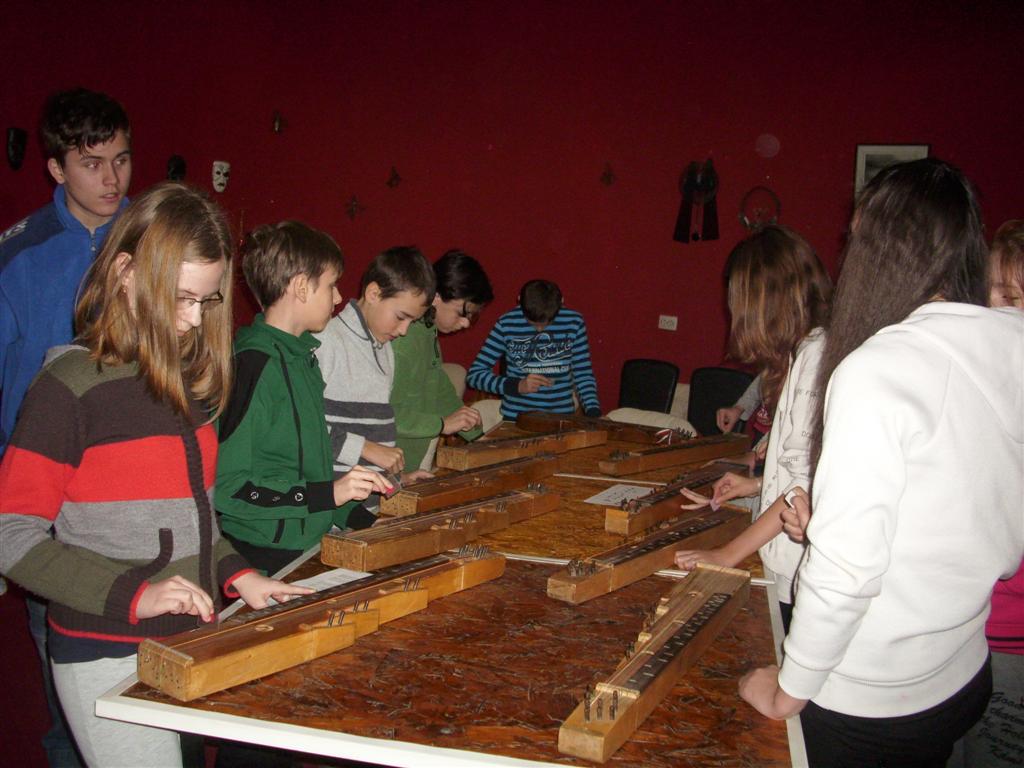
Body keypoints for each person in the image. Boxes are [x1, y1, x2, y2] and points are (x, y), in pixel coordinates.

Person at [0, 183, 312, 768]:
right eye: (180, 298)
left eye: (206, 301)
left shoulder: (186, 384)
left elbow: (195, 520)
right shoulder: (68, 389)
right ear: (125, 273)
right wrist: (135, 595)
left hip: (183, 641)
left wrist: (239, 575)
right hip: (104, 649)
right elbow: (10, 535)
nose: (192, 320)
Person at [738, 159, 1024, 768]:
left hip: (871, 697)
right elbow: (962, 502)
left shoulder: (876, 368)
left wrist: (789, 688)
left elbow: (847, 569)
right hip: (962, 669)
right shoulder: (1012, 339)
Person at [0, 86, 132, 768]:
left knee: (146, 665)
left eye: (122, 160)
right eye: (92, 163)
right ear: (56, 167)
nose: (112, 179)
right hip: (47, 487)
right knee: (66, 670)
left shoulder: (155, 239)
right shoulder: (18, 255)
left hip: (136, 482)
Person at [674, 225, 832, 631]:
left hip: (796, 569)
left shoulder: (815, 356)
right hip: (781, 557)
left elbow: (802, 484)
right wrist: (755, 485)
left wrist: (727, 554)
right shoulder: (801, 352)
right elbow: (806, 470)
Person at [215, 222, 391, 576]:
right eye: (331, 285)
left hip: (307, 544)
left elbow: (311, 473)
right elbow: (227, 489)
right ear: (300, 287)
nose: (338, 298)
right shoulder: (252, 367)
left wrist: (364, 520)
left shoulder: (304, 359)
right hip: (261, 556)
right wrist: (328, 494)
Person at [953, 219, 1024, 768]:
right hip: (959, 632)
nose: (998, 311)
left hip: (1011, 643)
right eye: (993, 295)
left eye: (1013, 299)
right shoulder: (977, 383)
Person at [315, 245, 436, 498]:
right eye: (401, 317)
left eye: (411, 322)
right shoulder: (325, 341)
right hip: (332, 505)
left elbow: (374, 434)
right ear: (373, 294)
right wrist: (366, 448)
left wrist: (397, 479)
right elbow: (303, 428)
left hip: (366, 503)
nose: (404, 331)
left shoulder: (385, 349)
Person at [391, 249, 492, 470]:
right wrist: (442, 425)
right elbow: (386, 413)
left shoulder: (427, 331)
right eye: (462, 313)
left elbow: (438, 388)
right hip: (388, 460)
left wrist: (475, 435)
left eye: (472, 316)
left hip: (406, 461)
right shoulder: (405, 338)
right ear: (436, 296)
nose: (466, 323)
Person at [466, 278, 601, 419]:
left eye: (548, 322)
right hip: (516, 418)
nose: (539, 329)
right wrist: (518, 386)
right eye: (532, 322)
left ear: (561, 302)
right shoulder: (506, 323)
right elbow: (474, 376)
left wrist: (593, 411)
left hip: (561, 418)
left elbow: (583, 374)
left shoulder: (574, 322)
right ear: (519, 301)